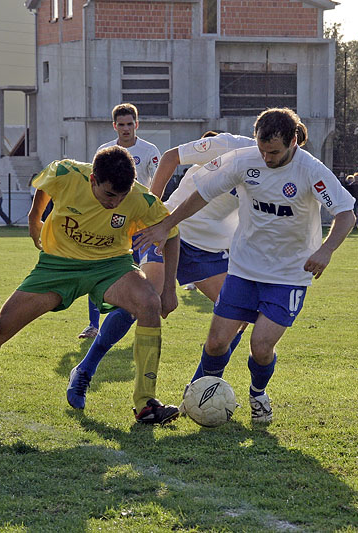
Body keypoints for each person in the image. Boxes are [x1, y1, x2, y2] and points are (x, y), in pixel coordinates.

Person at [0, 146, 182, 425]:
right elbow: (45, 185)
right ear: (92, 180)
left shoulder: (139, 198)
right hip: (57, 267)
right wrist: (34, 218)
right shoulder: (68, 172)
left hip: (110, 266)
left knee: (149, 302)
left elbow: (171, 233)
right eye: (110, 195)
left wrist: (169, 291)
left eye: (122, 196)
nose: (116, 202)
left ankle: (146, 403)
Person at [135, 108, 356, 424]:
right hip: (243, 269)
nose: (266, 158)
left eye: (274, 153)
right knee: (216, 343)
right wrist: (167, 224)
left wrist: (326, 250)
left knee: (261, 346)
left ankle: (258, 394)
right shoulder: (245, 160)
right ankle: (206, 395)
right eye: (262, 150)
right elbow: (202, 194)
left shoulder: (311, 170)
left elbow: (346, 213)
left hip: (288, 275)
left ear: (293, 142)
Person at [66, 130, 253, 411]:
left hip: (210, 249)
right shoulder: (229, 144)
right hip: (170, 228)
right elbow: (170, 157)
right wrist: (151, 207)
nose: (273, 156)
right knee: (144, 300)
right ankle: (84, 370)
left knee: (239, 314)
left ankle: (199, 390)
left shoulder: (285, 174)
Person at [78, 103, 162, 339]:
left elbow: (159, 184)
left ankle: (130, 317)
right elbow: (95, 183)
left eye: (130, 124)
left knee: (136, 271)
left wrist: (153, 214)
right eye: (121, 124)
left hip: (139, 221)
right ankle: (93, 325)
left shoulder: (149, 150)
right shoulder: (105, 150)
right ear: (114, 126)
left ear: (137, 124)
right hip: (109, 219)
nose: (126, 129)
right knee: (99, 268)